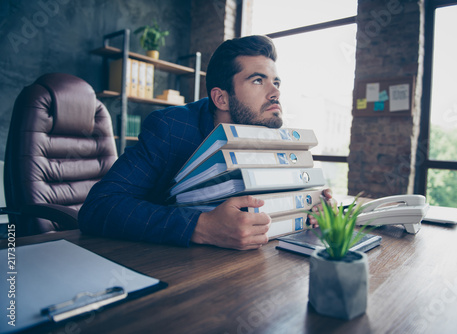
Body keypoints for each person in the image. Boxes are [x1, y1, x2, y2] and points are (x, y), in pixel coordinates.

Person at [79, 35, 332, 250]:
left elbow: (272, 203)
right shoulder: (169, 128)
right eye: (258, 80)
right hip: (165, 268)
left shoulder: (268, 133)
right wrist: (200, 227)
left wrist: (308, 207)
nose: (275, 91)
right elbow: (99, 207)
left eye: (275, 82)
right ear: (221, 99)